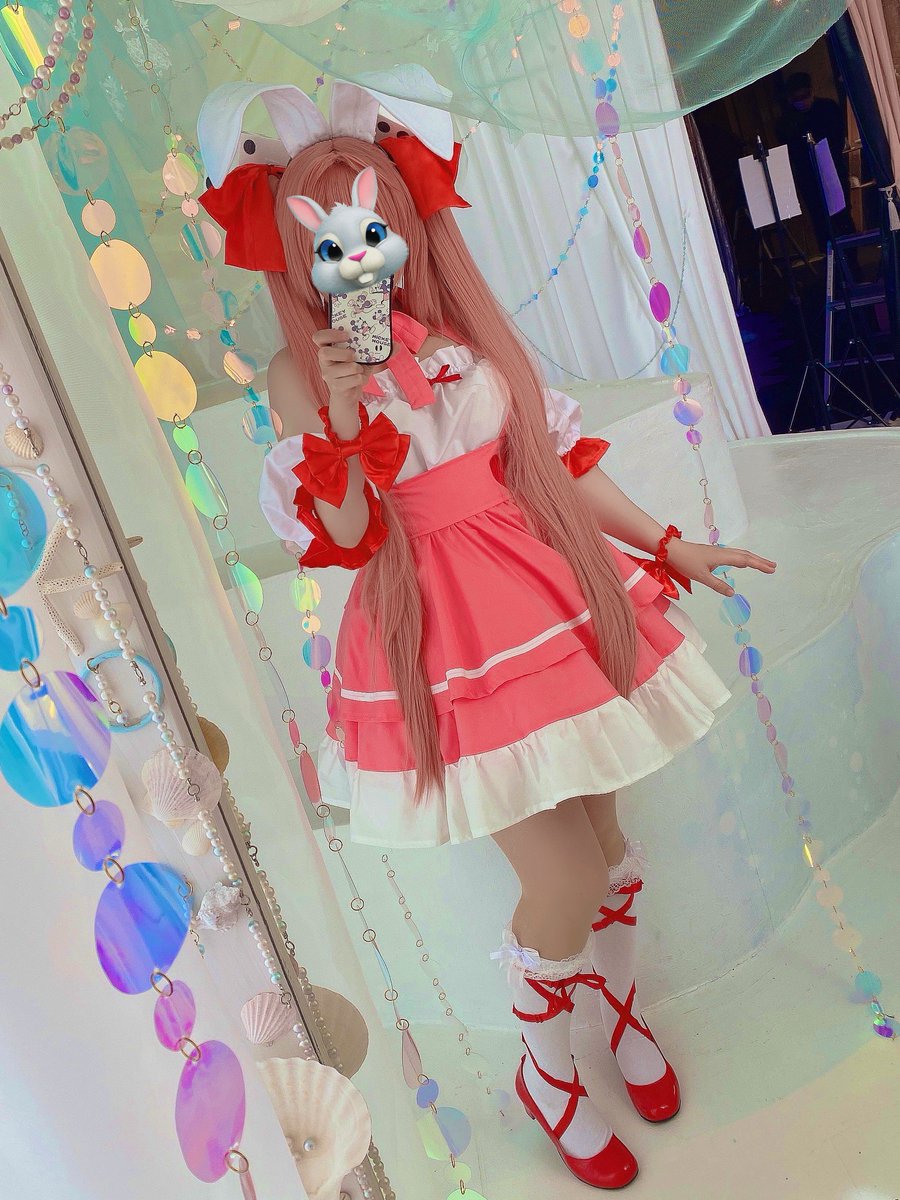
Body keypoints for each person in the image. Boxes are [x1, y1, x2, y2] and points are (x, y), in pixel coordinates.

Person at [200, 76, 777, 1190]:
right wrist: (342, 411)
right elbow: (347, 535)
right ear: (299, 255)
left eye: (373, 228)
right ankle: (549, 1073)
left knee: (605, 845)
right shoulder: (295, 375)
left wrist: (671, 544)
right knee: (563, 878)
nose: (357, 260)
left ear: (405, 227)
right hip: (441, 628)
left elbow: (552, 466)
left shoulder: (467, 338)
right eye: (328, 244)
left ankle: (617, 1013)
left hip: (545, 589)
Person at [776, 71, 855, 251]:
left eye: (805, 96)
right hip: (808, 176)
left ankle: (852, 259)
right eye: (796, 98)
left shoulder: (827, 108)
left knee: (842, 215)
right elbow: (790, 150)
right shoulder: (787, 121)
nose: (802, 102)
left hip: (833, 169)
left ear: (812, 91)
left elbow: (837, 137)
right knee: (820, 220)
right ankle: (830, 260)